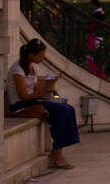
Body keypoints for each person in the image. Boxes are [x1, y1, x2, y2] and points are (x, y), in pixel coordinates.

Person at [6, 38, 79, 169]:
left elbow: (33, 88)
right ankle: (57, 152)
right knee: (62, 110)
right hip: (20, 104)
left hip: (33, 99)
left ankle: (59, 148)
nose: (42, 58)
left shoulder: (32, 66)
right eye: (40, 56)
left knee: (68, 107)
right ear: (31, 55)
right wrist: (43, 90)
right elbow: (23, 96)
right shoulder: (17, 70)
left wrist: (48, 82)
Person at [86, 0, 107, 79]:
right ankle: (97, 71)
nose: (91, 7)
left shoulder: (97, 13)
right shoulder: (101, 12)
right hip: (98, 35)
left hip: (95, 36)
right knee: (97, 53)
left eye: (91, 5)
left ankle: (94, 71)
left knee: (94, 53)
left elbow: (90, 23)